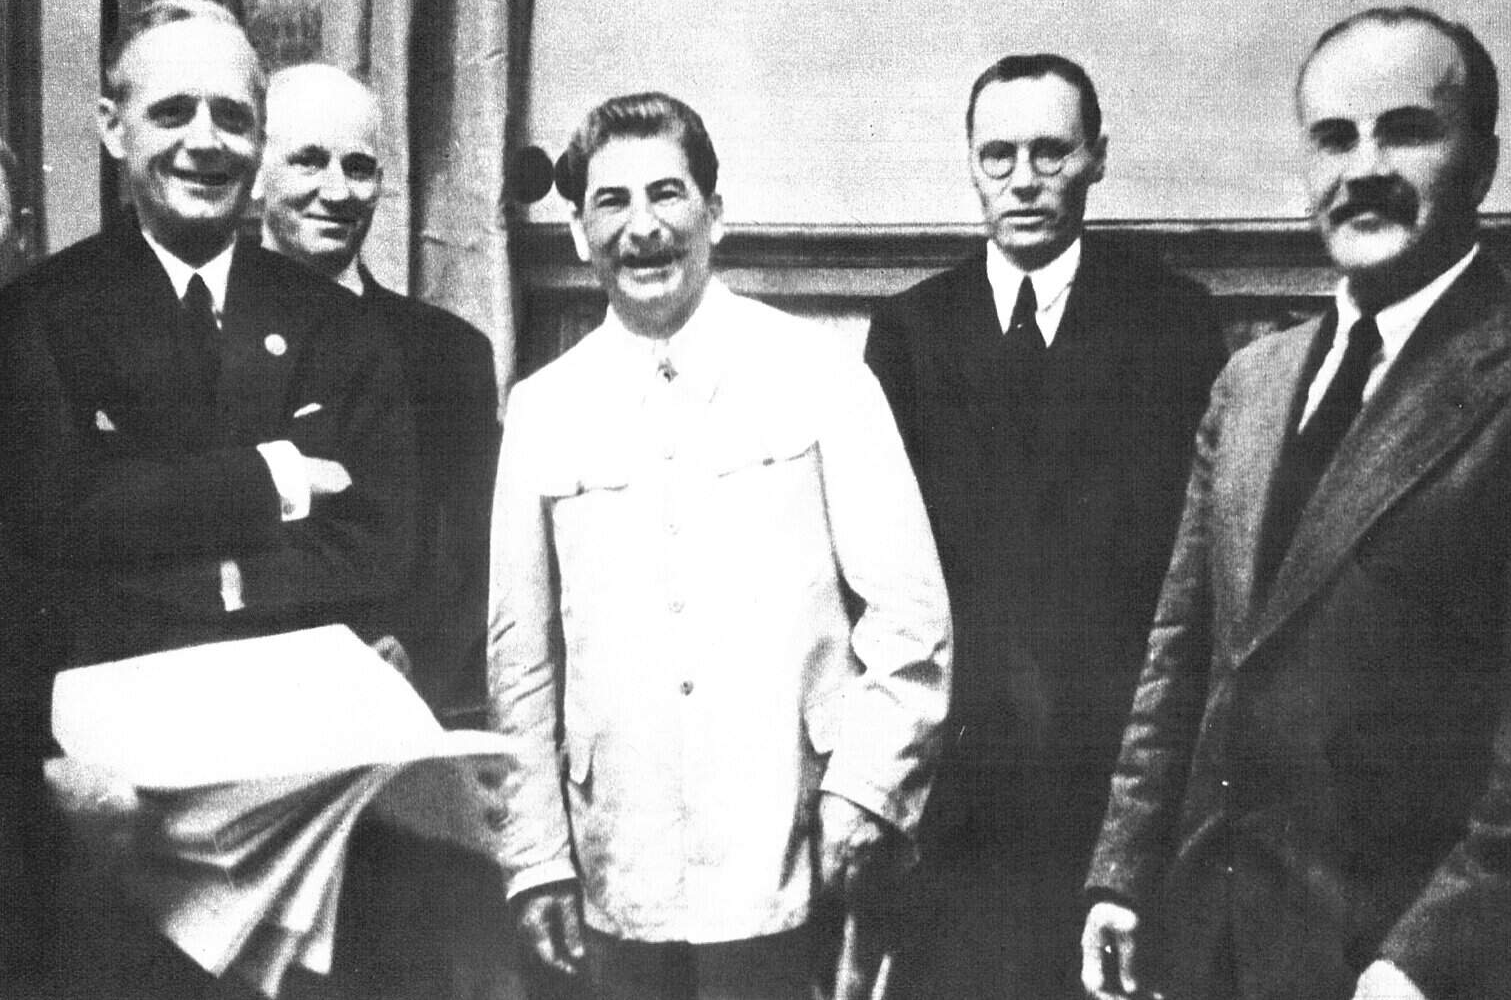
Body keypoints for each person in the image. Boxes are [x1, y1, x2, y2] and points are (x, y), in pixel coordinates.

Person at [1083, 7, 1511, 1000]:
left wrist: (1424, 960)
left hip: (1413, 960)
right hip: (1220, 940)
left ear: (1482, 160)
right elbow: (1180, 655)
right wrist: (1121, 872)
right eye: (1333, 137)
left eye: (1406, 130)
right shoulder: (1250, 380)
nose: (1362, 166)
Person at [487, 92, 952, 1000]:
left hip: (786, 852)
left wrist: (863, 794)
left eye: (667, 193)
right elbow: (521, 659)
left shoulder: (819, 374)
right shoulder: (544, 406)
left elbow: (911, 617)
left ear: (715, 214)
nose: (642, 227)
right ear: (580, 232)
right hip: (617, 860)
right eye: (610, 203)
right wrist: (535, 855)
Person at [0, 0, 416, 999]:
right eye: (172, 111)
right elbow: (47, 530)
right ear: (111, 127)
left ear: (261, 138)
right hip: (105, 805)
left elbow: (380, 547)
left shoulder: (342, 331)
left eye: (232, 116)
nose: (204, 142)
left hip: (303, 805)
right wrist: (274, 482)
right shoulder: (38, 320)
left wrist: (145, 538)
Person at [863, 54, 1221, 999]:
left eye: (1050, 152)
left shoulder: (1172, 320)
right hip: (959, 789)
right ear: (970, 165)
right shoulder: (909, 331)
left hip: (1111, 781)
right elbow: (883, 573)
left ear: (1095, 158)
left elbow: (1195, 568)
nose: (1023, 178)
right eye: (997, 155)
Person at [258, 62, 499, 722]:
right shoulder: (189, 336)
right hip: (234, 708)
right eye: (308, 162)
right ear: (255, 169)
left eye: (359, 167)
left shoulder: (449, 355)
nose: (337, 191)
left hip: (398, 712)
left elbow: (475, 554)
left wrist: (414, 651)